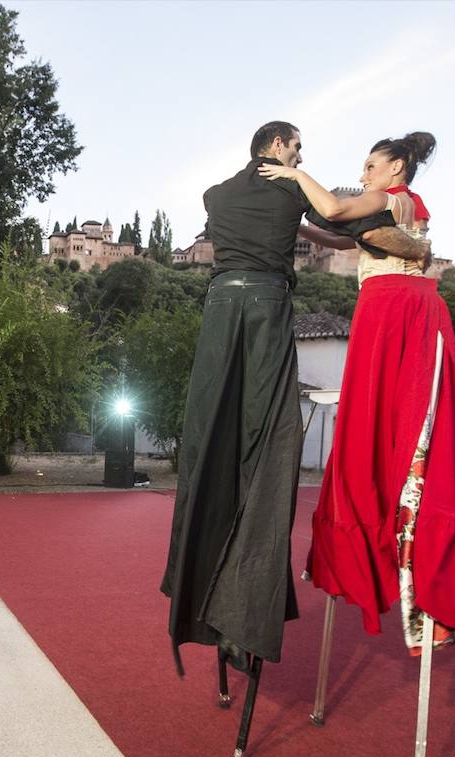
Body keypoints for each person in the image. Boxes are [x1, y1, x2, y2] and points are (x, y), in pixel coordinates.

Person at [161, 120, 430, 675]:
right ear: (279, 145)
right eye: (297, 146)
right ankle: (243, 608)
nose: (301, 154)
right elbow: (330, 217)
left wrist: (360, 237)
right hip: (266, 307)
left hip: (218, 311)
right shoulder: (293, 183)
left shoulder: (216, 194)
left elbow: (326, 233)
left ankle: (203, 593)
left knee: (211, 439)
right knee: (267, 442)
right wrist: (306, 184)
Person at [261, 130, 455, 651]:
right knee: (382, 424)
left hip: (397, 311)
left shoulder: (392, 198)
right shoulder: (396, 210)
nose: (364, 172)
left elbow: (337, 212)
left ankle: (425, 579)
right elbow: (346, 239)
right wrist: (296, 226)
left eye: (372, 164)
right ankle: (407, 581)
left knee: (399, 426)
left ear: (396, 169)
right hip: (390, 308)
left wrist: (294, 174)